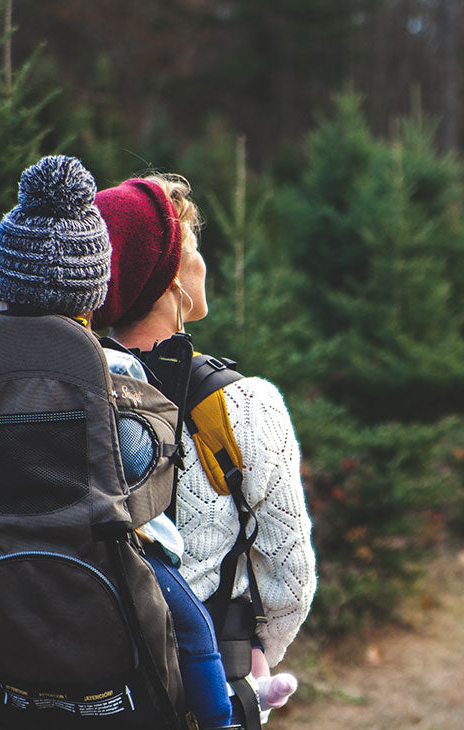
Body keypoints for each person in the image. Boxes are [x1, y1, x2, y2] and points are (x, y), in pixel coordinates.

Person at [0, 154, 238, 729]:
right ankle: (220, 720)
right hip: (105, 544)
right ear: (91, 292)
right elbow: (137, 456)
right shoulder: (107, 367)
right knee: (192, 627)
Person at [91, 173, 317, 718]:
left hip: (88, 687)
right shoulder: (246, 406)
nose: (203, 260)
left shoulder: (65, 396)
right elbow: (292, 582)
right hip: (210, 686)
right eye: (192, 247)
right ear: (169, 279)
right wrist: (254, 654)